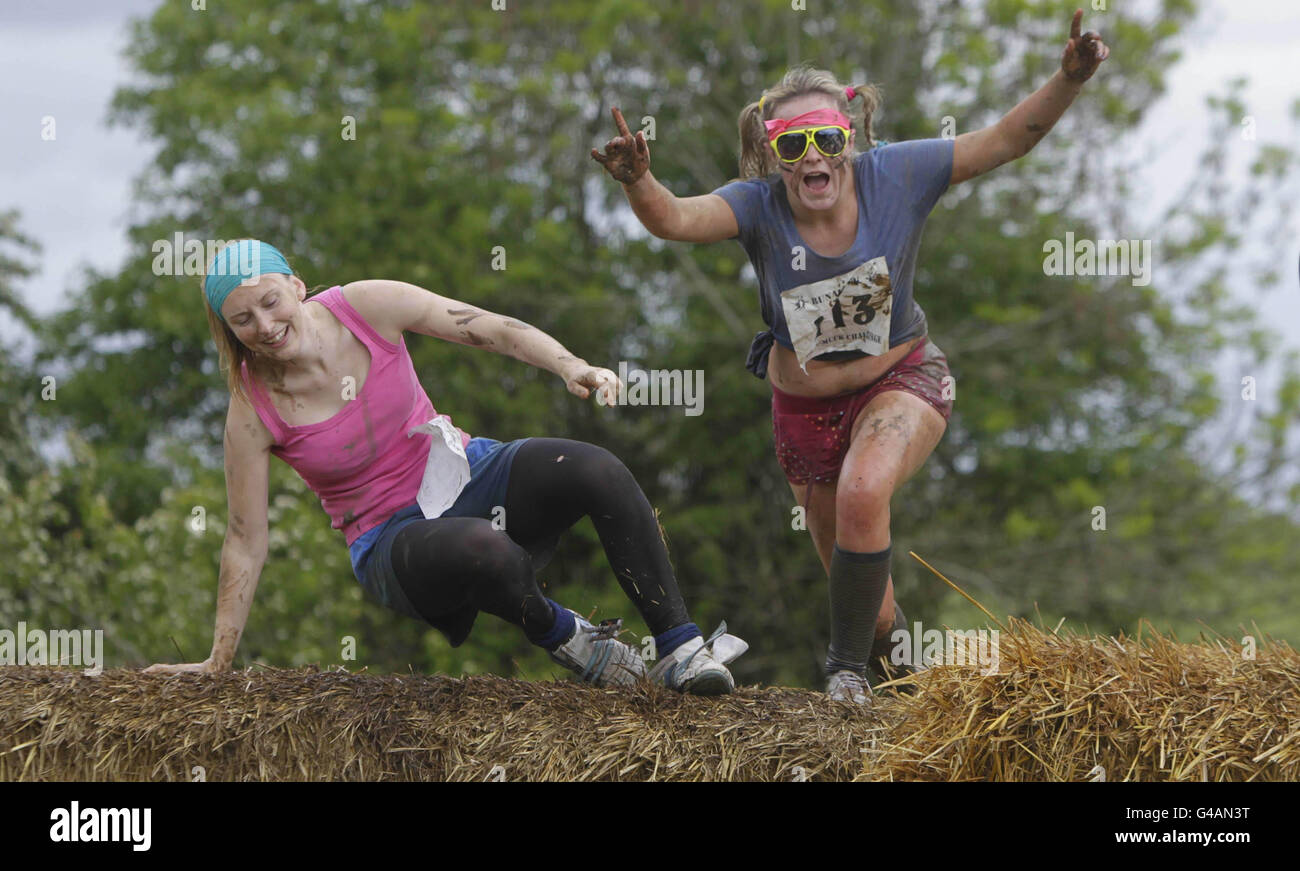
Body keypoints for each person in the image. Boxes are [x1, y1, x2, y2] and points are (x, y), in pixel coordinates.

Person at [592, 11, 1108, 702]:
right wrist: (637, 183)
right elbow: (675, 219)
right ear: (773, 151)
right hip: (803, 418)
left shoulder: (899, 174)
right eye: (793, 143)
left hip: (903, 379)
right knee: (876, 607)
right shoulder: (758, 206)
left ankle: (843, 673)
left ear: (851, 134)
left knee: (868, 491)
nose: (812, 157)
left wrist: (1068, 78)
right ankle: (904, 686)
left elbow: (1008, 138)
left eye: (825, 138)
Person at [143, 239, 744, 694]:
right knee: (483, 548)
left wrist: (570, 366)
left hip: (464, 471)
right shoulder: (251, 411)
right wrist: (218, 660)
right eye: (243, 321)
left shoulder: (366, 305)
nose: (265, 328)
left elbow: (486, 328)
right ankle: (571, 638)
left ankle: (680, 649)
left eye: (271, 303)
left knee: (595, 468)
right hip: (393, 541)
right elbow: (246, 538)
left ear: (296, 285)